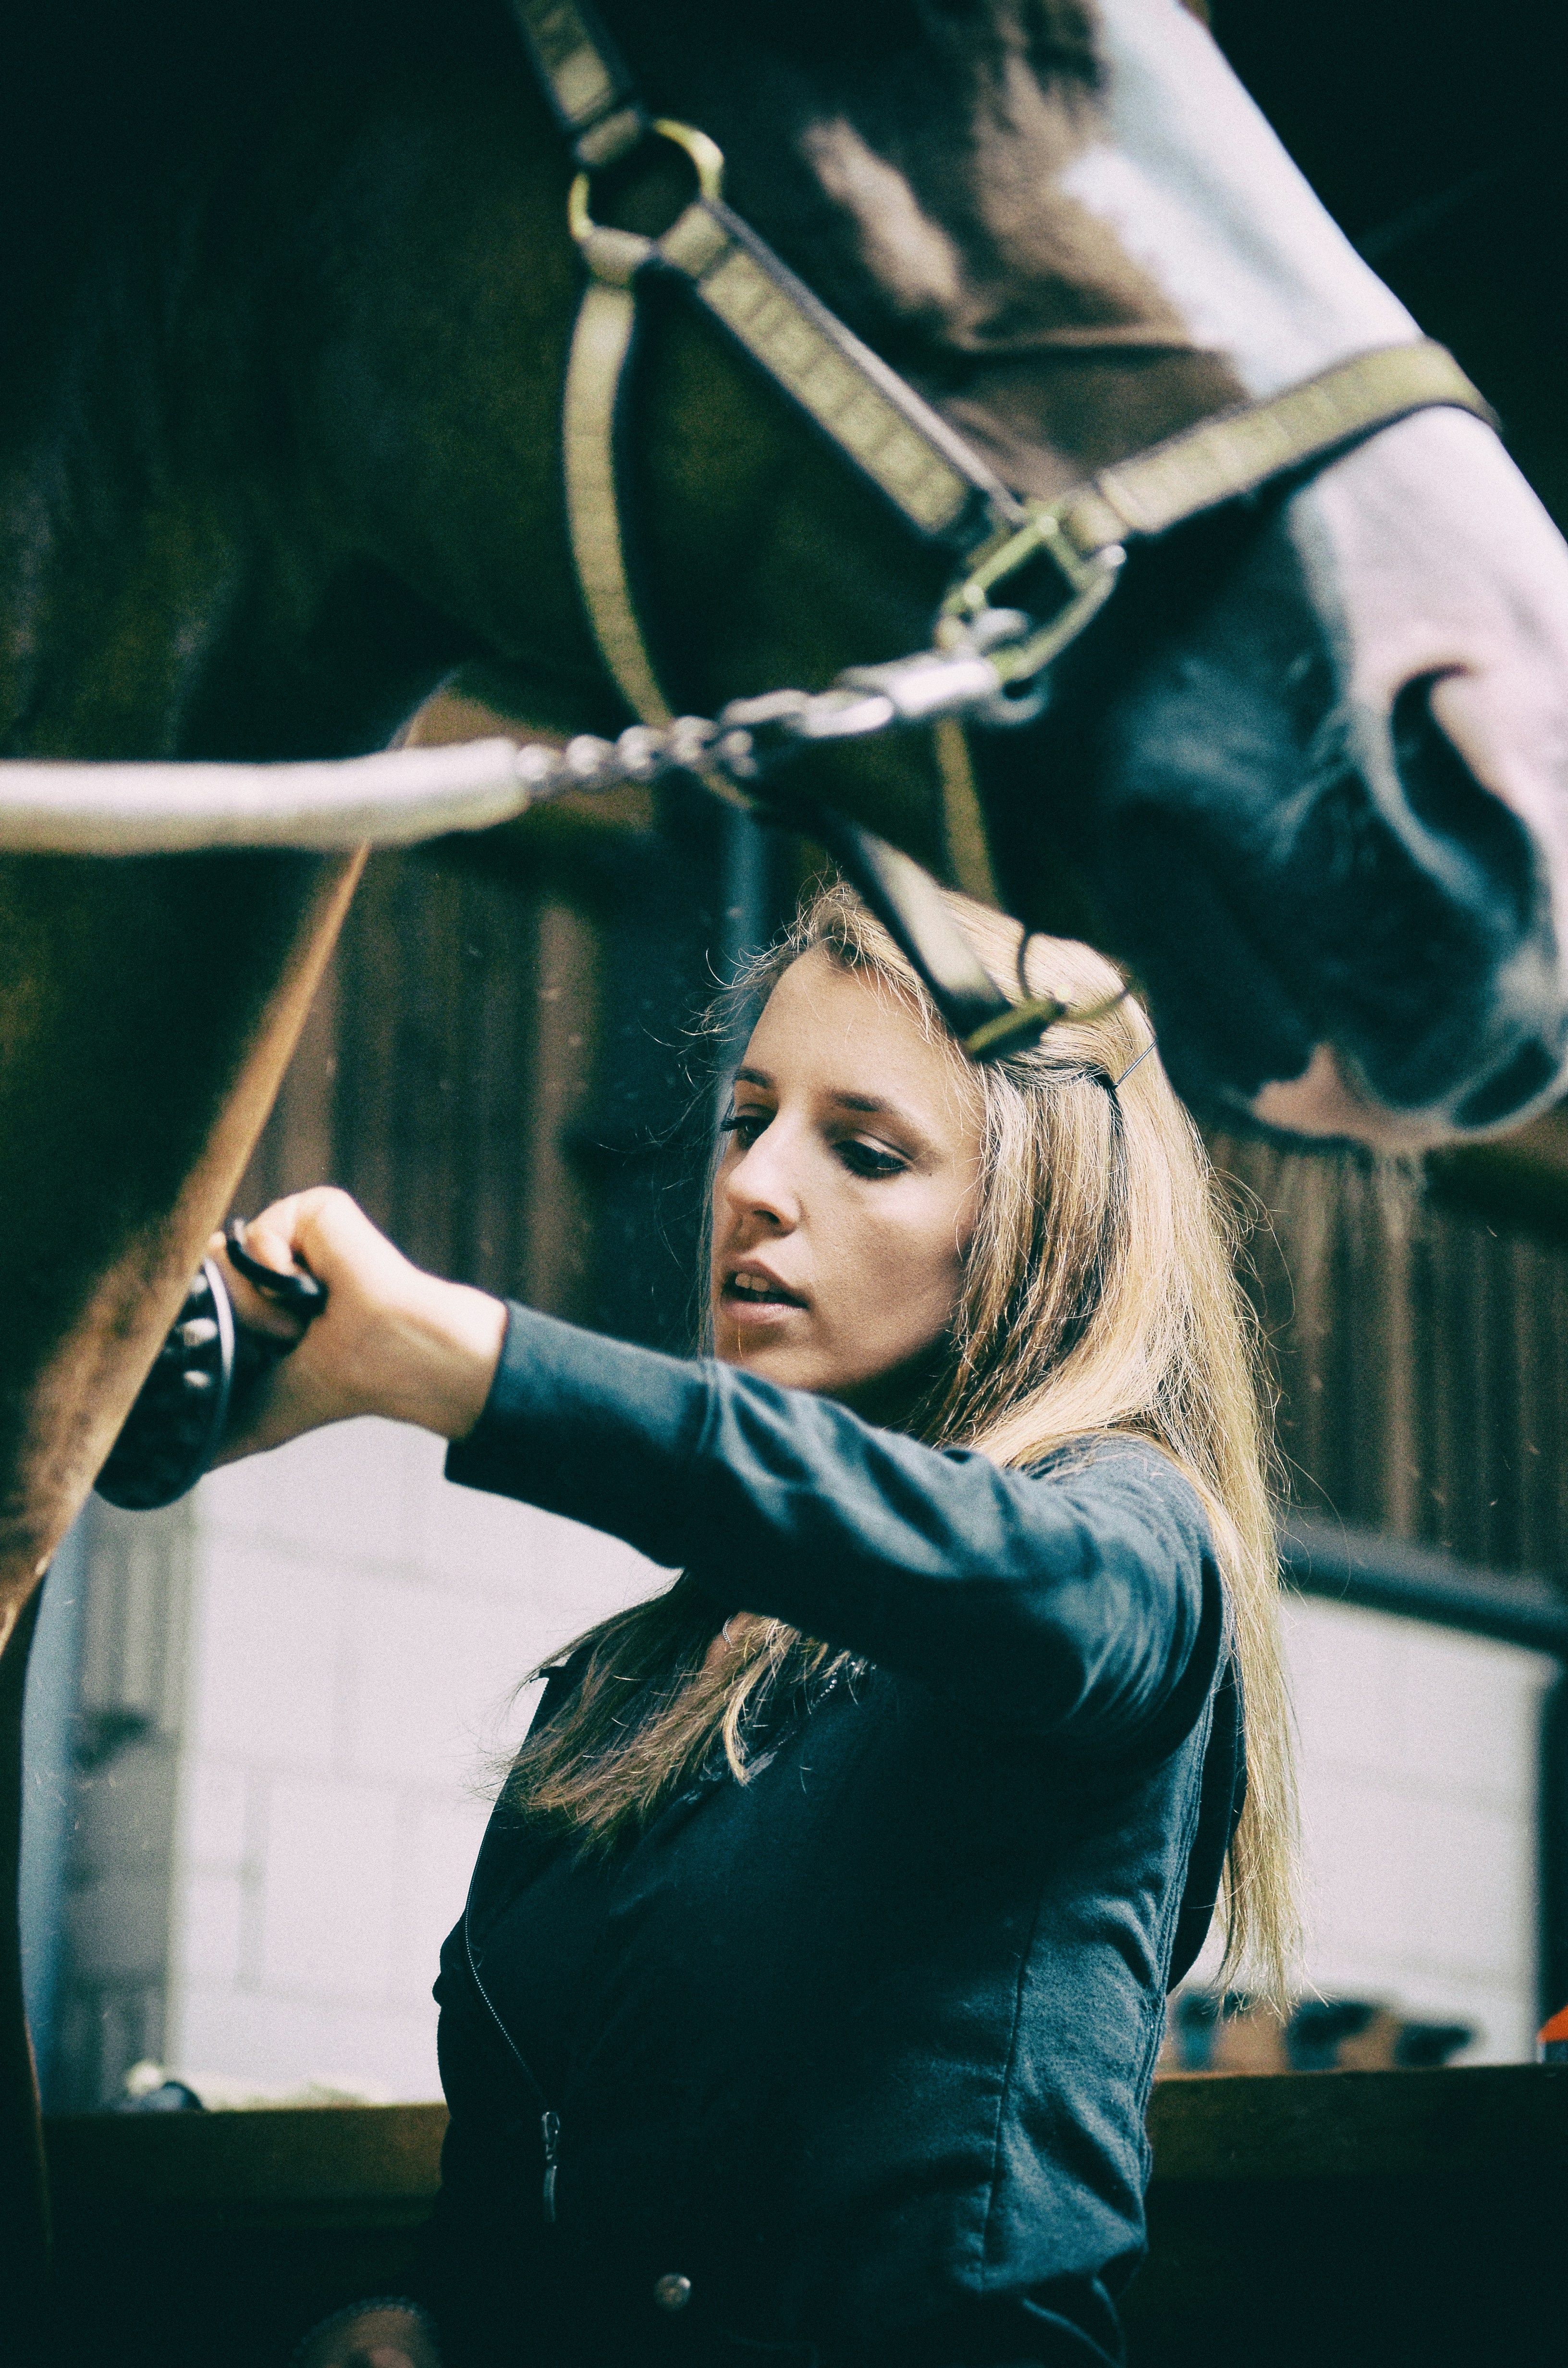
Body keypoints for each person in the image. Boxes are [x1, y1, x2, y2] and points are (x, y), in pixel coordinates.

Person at [227, 885, 1296, 2368]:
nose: (754, 1185)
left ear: (1040, 1223)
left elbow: (976, 1567)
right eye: (747, 1120)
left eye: (863, 1150)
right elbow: (520, 2199)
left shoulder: (1132, 1553)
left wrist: (461, 1364)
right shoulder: (621, 1685)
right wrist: (421, 2324)